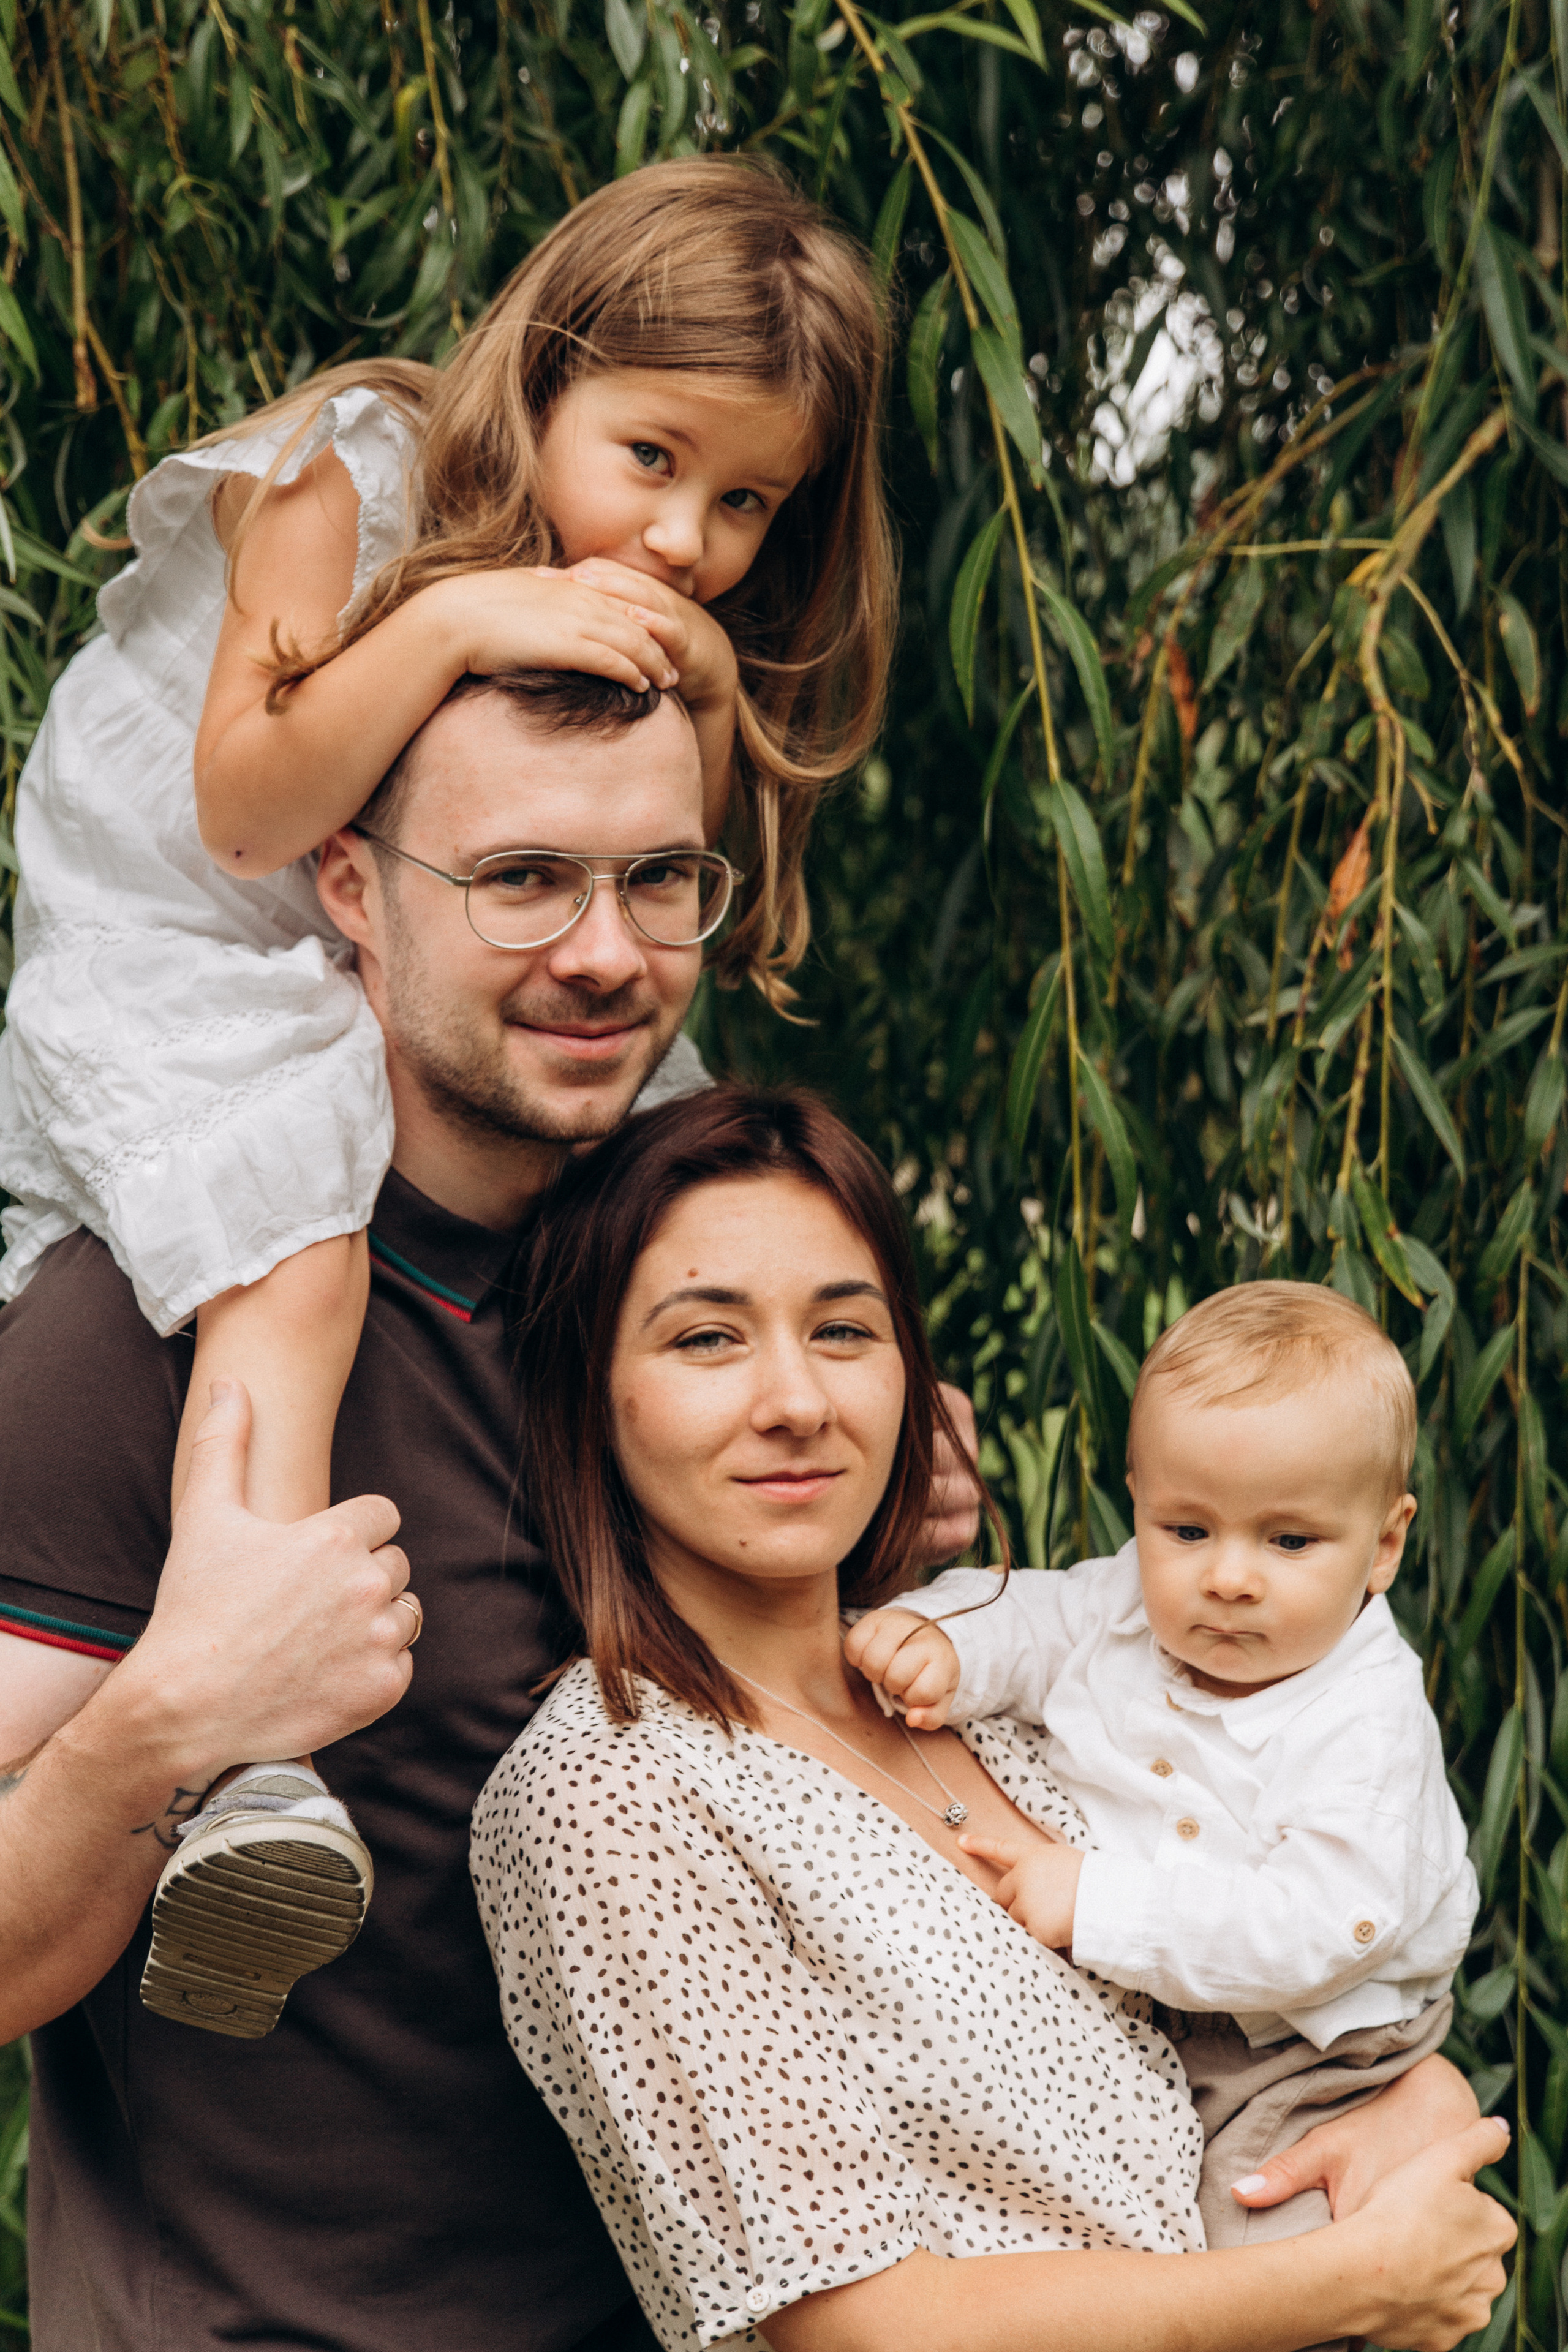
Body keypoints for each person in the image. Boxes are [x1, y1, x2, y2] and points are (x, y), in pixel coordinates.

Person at [0, 153, 894, 2003]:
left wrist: (873, 1471)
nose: (682, 542)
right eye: (653, 460)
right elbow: (248, 809)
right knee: (294, 1239)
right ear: (543, 370)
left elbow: (658, 873)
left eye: (746, 505)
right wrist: (453, 627)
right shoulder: (347, 482)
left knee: (717, 1209)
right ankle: (258, 1752)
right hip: (198, 919)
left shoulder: (661, 1266)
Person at [0, 673, 972, 2352]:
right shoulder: (142, 1330)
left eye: (661, 879)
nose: (605, 955)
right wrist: (176, 1717)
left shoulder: (727, 1304)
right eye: (521, 880)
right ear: (352, 886)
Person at [470, 1087, 1512, 2352]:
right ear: (592, 1390)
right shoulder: (613, 1792)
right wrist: (1351, 2282)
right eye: (706, 1340)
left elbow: (1250, 2003)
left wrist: (1413, 2106)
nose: (797, 1400)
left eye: (843, 1330)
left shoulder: (999, 1683)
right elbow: (864, 2328)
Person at [846, 1282, 1478, 2272]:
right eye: (1186, 1531)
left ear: (1384, 1544)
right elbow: (1036, 1614)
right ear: (1138, 1502)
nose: (1228, 1576)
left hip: (1306, 2053)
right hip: (1179, 2016)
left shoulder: (1366, 1725)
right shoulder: (1122, 1608)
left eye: (1290, 1540)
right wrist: (946, 1639)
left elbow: (1322, 1925)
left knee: (1259, 2251)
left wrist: (1096, 1903)